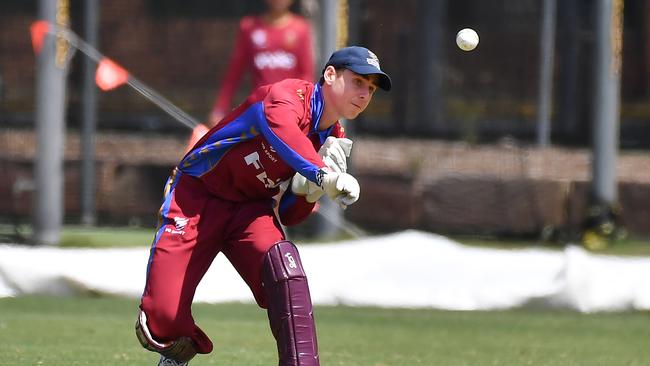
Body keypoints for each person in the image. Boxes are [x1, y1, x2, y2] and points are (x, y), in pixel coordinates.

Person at [135, 46, 391, 366]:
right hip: (198, 195)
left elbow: (289, 215)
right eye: (358, 82)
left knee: (286, 274)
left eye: (371, 89)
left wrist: (309, 193)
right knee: (161, 318)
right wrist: (322, 175)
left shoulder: (332, 140)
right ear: (329, 75)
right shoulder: (286, 95)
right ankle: (177, 350)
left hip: (250, 210)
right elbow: (282, 131)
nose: (365, 94)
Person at [186, 0, 315, 152]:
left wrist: (306, 112)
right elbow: (234, 73)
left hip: (290, 113)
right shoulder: (249, 27)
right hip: (259, 111)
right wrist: (220, 108)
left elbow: (306, 75)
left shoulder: (300, 28)